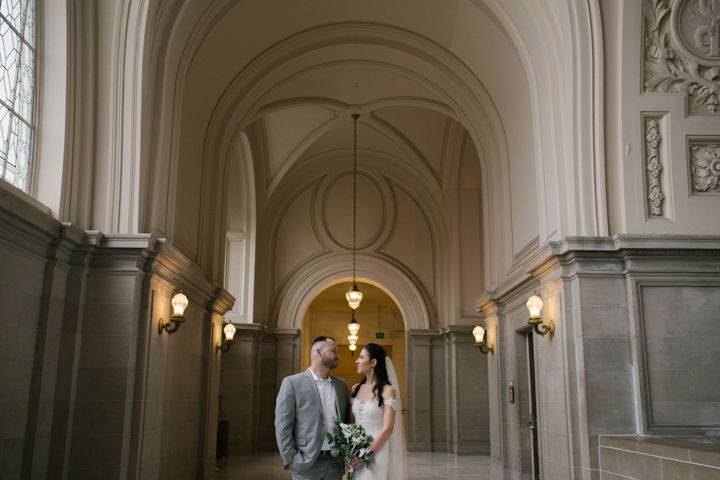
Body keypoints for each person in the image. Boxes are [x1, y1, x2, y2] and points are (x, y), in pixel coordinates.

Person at [275, 336, 350, 480]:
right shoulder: (292, 383)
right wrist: (291, 459)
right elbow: (282, 424)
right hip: (306, 462)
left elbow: (345, 422)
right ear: (318, 351)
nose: (338, 356)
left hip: (335, 464)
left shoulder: (341, 386)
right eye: (334, 351)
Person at [350, 343, 406, 480]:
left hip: (377, 450)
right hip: (354, 452)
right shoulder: (355, 388)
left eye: (361, 357)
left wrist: (366, 455)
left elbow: (388, 429)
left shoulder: (388, 391)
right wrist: (350, 451)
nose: (357, 361)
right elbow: (351, 423)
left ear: (373, 362)